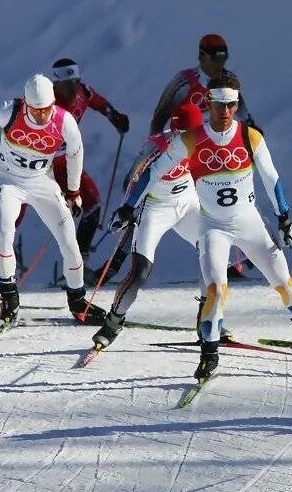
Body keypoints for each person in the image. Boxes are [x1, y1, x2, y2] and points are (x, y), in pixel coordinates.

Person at [189, 74, 292, 379]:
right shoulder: (193, 138)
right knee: (216, 291)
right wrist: (132, 206)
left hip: (249, 224)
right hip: (212, 227)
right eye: (220, 104)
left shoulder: (250, 136)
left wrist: (284, 217)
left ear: (236, 104)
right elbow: (159, 169)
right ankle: (209, 353)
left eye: (231, 105)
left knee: (284, 282)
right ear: (209, 103)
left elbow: (272, 179)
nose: (225, 111)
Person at [89, 33, 258, 286]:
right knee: (145, 207)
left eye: (223, 58)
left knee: (220, 202)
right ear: (201, 56)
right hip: (176, 149)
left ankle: (230, 262)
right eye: (213, 59)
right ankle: (112, 267)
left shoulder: (226, 82)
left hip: (210, 153)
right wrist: (157, 151)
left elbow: (242, 115)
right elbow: (160, 116)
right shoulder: (185, 82)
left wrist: (251, 136)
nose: (218, 65)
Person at [0, 74, 106, 325]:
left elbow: (76, 155)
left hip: (42, 182)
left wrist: (73, 192)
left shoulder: (65, 121)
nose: (41, 116)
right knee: (5, 233)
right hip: (8, 182)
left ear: (54, 103)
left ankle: (78, 301)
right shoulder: (10, 110)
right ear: (26, 104)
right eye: (35, 110)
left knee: (69, 242)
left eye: (46, 110)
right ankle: (9, 296)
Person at [0, 59, 131, 287]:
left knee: (92, 203)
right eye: (66, 84)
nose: (71, 89)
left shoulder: (83, 92)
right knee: (12, 218)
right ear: (55, 85)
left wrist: (115, 116)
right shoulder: (45, 101)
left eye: (75, 82)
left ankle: (76, 268)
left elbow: (99, 103)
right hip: (35, 165)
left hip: (60, 163)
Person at [90, 100, 212, 349]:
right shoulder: (156, 146)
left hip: (187, 201)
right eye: (184, 134)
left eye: (194, 133)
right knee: (140, 271)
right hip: (156, 207)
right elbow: (135, 179)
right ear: (175, 130)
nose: (190, 140)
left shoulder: (206, 137)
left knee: (211, 251)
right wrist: (126, 209)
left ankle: (206, 318)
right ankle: (113, 323)